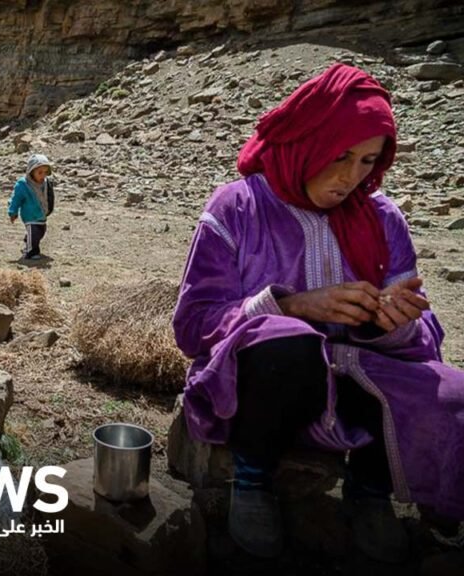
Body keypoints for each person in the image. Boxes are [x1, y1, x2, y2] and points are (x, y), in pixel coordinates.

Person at [172, 64, 463, 562]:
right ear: (308, 140)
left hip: (358, 375)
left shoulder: (383, 218)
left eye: (369, 161)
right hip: (267, 382)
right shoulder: (238, 206)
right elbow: (194, 323)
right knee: (288, 341)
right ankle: (253, 477)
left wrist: (391, 322)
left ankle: (369, 492)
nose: (352, 178)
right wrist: (289, 306)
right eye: (341, 155)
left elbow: (421, 339)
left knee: (453, 393)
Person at [8, 154, 55, 260]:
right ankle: (31, 252)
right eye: (40, 172)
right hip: (30, 215)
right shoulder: (23, 185)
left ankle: (29, 240)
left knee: (40, 232)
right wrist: (13, 212)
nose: (43, 175)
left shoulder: (46, 183)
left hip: (41, 214)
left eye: (45, 172)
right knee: (34, 233)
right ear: (31, 172)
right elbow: (16, 199)